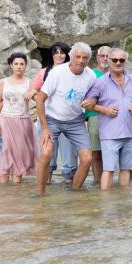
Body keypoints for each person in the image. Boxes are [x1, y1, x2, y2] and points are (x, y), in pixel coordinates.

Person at [35, 42, 97, 195]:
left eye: (84, 58)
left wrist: (92, 102)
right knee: (46, 153)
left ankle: (74, 193)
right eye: (77, 56)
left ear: (88, 59)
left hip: (75, 120)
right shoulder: (57, 73)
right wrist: (44, 129)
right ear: (71, 56)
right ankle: (40, 194)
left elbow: (94, 97)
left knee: (87, 158)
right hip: (52, 119)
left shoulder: (91, 75)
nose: (81, 61)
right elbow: (40, 100)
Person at [83, 48, 132, 189]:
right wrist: (105, 110)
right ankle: (106, 202)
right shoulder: (100, 82)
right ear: (109, 61)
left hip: (130, 133)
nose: (118, 62)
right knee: (109, 169)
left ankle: (123, 200)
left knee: (126, 169)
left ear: (125, 61)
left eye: (121, 60)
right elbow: (87, 104)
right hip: (110, 134)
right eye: (114, 60)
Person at [31, 42, 77, 182]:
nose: (59, 55)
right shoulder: (44, 72)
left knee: (69, 153)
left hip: (69, 118)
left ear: (67, 55)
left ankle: (70, 187)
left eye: (62, 52)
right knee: (47, 153)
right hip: (47, 118)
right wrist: (41, 101)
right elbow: (32, 91)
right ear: (52, 55)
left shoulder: (73, 71)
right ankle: (45, 188)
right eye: (56, 52)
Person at [0, 52, 36, 184]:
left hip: (23, 122)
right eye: (16, 64)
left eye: (22, 64)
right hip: (5, 120)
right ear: (11, 65)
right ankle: (3, 191)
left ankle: (17, 191)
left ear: (25, 66)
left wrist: (34, 91)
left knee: (19, 156)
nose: (19, 67)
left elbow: (39, 99)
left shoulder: (29, 82)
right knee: (4, 153)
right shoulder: (2, 82)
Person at [85, 45, 110, 183]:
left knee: (111, 151)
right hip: (94, 115)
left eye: (108, 56)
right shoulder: (90, 74)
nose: (105, 59)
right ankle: (97, 181)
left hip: (113, 117)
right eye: (103, 56)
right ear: (97, 57)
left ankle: (108, 180)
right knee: (95, 151)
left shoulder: (116, 73)